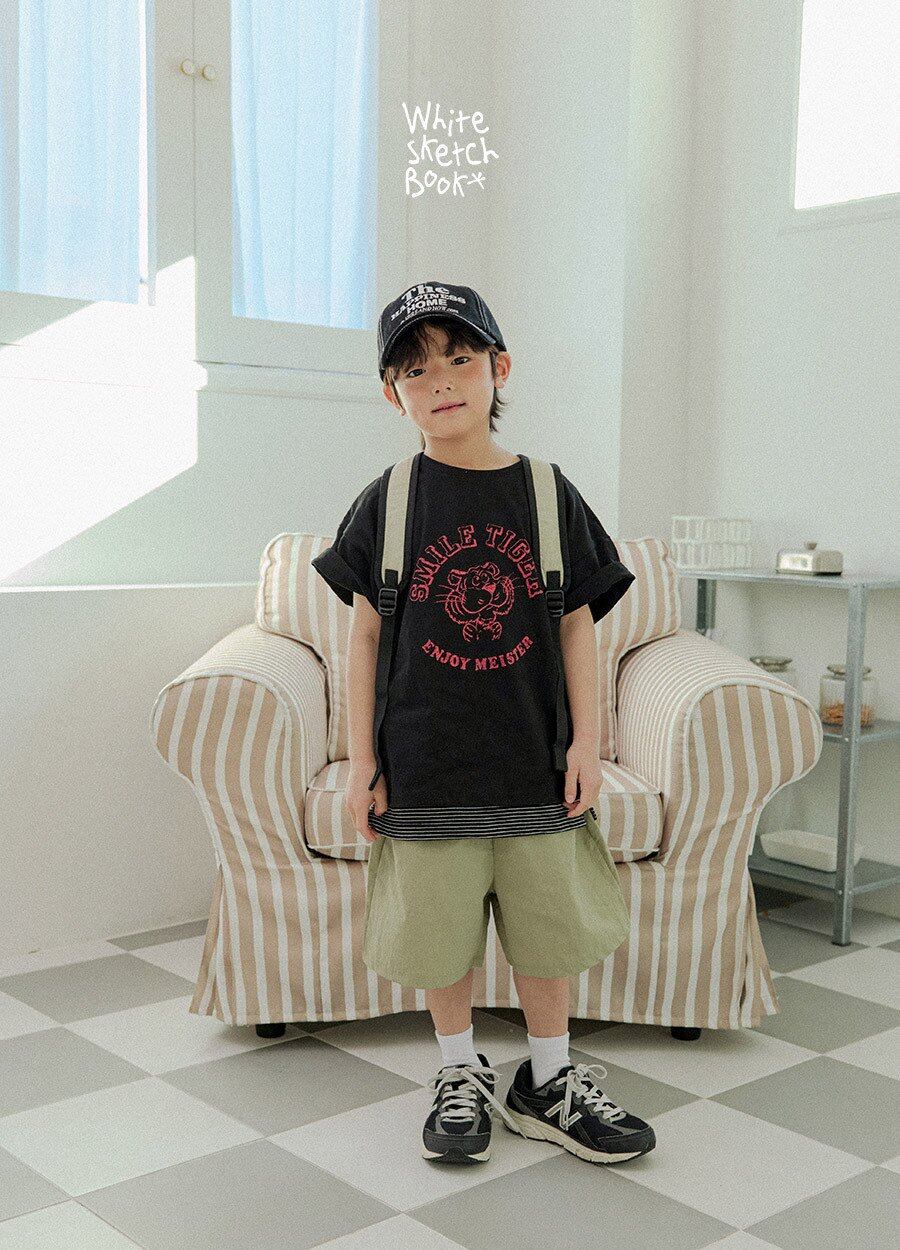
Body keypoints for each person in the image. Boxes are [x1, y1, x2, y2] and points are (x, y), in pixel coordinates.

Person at [311, 281, 656, 1166]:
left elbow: (577, 625)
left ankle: (548, 1078)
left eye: (459, 359)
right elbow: (363, 636)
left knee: (548, 925)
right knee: (437, 932)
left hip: (534, 759)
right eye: (415, 371)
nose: (440, 382)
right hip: (425, 764)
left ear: (500, 369)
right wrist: (361, 761)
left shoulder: (545, 492)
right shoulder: (389, 499)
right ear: (392, 394)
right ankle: (459, 1068)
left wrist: (587, 743)